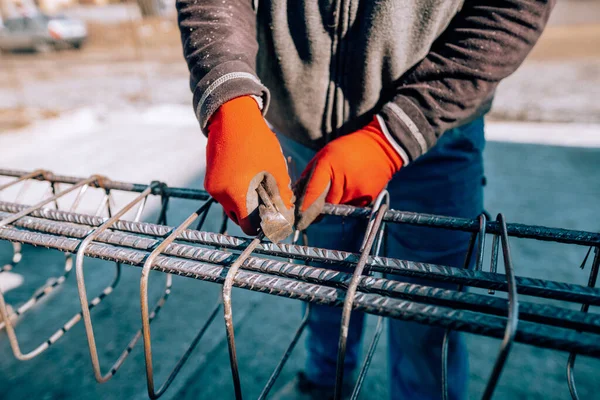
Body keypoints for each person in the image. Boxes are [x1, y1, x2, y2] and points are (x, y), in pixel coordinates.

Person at [176, 1, 554, 398]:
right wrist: (231, 103)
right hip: (301, 135)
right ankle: (322, 385)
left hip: (437, 135)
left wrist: (395, 135)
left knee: (424, 315)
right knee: (321, 291)